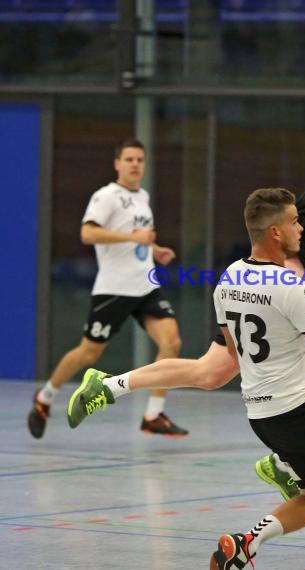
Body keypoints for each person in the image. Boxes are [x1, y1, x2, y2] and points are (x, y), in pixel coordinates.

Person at [68, 51, 305, 499]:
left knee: (242, 379)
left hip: (298, 308)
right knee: (229, 376)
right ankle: (110, 386)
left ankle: (279, 459)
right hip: (271, 294)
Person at [68, 188, 305, 570]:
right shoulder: (293, 287)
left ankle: (244, 545)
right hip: (303, 410)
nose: (301, 227)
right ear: (275, 232)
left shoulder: (228, 279)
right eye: (293, 221)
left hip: (264, 418)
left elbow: (233, 348)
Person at [27, 139, 188, 439]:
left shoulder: (143, 196)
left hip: (145, 285)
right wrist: (133, 239)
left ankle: (153, 414)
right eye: (129, 159)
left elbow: (138, 236)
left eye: (140, 159)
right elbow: (87, 233)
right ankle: (45, 396)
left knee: (172, 342)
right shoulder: (106, 196)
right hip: (114, 289)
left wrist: (155, 249)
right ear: (117, 163)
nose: (135, 164)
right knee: (88, 353)